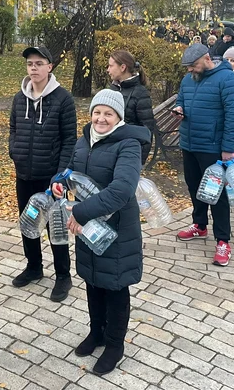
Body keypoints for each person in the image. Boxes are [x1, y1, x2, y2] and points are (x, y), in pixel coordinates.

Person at [52, 89, 149, 375]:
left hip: (116, 229)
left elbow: (121, 191)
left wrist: (79, 212)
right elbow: (70, 171)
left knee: (115, 285)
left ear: (118, 117)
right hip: (87, 228)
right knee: (93, 279)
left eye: (108, 113)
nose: (101, 118)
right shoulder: (84, 141)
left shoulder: (129, 144)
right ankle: (97, 333)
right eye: (97, 112)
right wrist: (57, 183)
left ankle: (115, 345)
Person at [9, 45, 77, 301]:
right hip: (24, 174)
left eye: (39, 63)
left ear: (50, 66)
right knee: (29, 221)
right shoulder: (19, 98)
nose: (34, 68)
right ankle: (34, 267)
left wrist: (61, 174)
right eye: (30, 63)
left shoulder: (63, 99)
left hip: (51, 178)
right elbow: (13, 129)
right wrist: (14, 152)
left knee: (55, 227)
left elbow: (70, 139)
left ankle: (63, 275)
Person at [173, 44, 234, 266]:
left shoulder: (228, 80)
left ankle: (223, 240)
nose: (190, 71)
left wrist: (228, 148)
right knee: (194, 186)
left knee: (217, 194)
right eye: (187, 67)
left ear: (206, 59)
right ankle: (199, 225)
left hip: (213, 146)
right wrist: (179, 108)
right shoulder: (188, 80)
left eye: (193, 66)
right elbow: (181, 100)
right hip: (190, 143)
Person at [108, 50, 154, 164]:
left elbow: (147, 130)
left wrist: (138, 161)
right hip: (109, 151)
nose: (108, 70)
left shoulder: (140, 93)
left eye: (110, 66)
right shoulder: (112, 89)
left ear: (123, 67)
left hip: (128, 155)